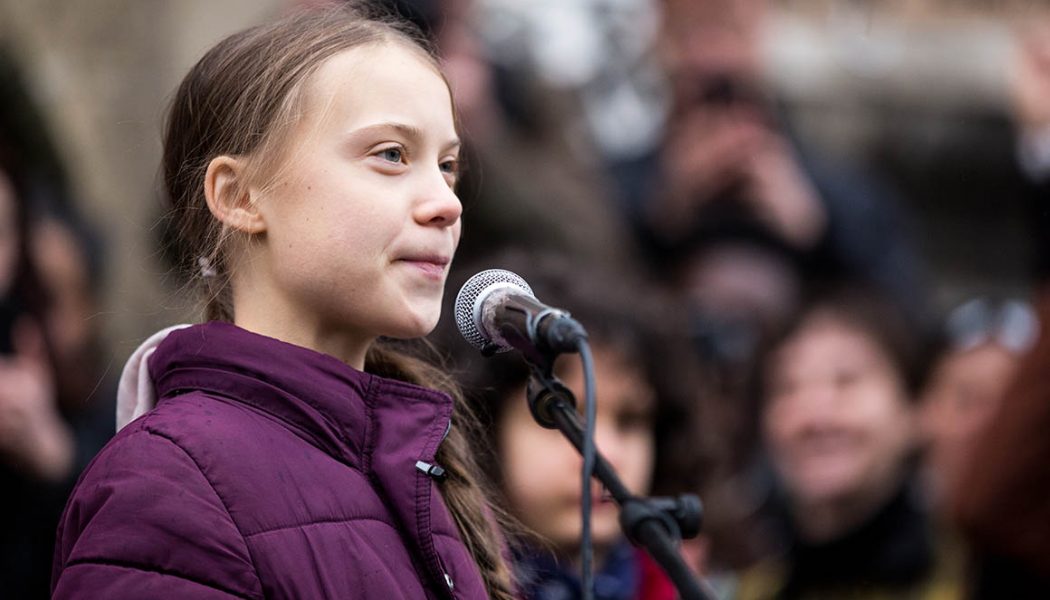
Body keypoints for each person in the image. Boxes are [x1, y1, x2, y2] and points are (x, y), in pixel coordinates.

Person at [51, 6, 514, 599]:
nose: (447, 203)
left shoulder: (425, 467)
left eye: (448, 166)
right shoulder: (168, 485)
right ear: (239, 195)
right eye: (392, 154)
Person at [438, 250, 712, 600]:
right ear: (482, 425)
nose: (606, 452)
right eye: (557, 416)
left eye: (630, 421)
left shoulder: (684, 586)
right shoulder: (431, 581)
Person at [735, 285, 960, 599]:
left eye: (846, 380)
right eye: (786, 387)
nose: (813, 415)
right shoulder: (743, 587)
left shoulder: (978, 574)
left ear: (915, 409)